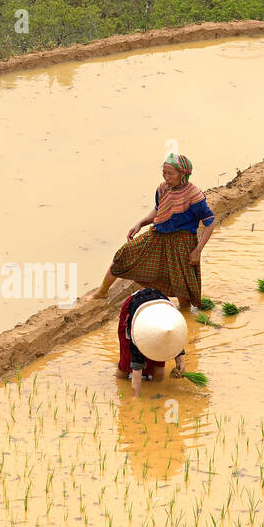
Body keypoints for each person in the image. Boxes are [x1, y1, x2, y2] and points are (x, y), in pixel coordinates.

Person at [94, 153, 215, 310]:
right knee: (124, 255)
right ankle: (102, 292)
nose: (166, 177)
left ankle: (185, 318)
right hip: (157, 235)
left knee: (182, 290)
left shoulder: (194, 195)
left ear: (183, 174)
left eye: (170, 173)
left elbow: (209, 223)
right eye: (164, 172)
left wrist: (198, 250)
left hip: (181, 242)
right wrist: (141, 223)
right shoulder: (162, 188)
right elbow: (158, 209)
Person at [117, 287, 187, 397]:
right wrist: (136, 395)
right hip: (135, 311)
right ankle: (122, 376)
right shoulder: (137, 330)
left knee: (159, 374)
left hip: (160, 304)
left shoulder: (172, 324)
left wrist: (180, 361)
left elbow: (175, 337)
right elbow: (136, 366)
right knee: (125, 367)